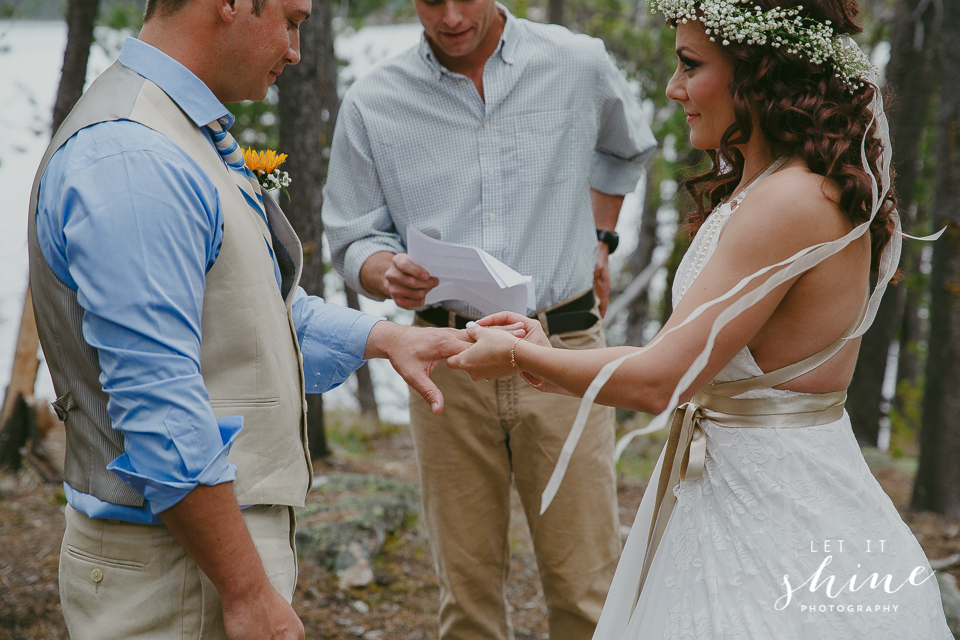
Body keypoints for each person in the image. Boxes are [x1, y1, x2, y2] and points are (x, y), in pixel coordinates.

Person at [447, 0, 956, 637]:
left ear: (759, 70)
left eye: (691, 65)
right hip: (729, 485)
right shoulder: (773, 184)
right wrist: (553, 355)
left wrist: (521, 359)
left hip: (776, 513)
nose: (673, 87)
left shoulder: (792, 199)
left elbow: (662, 380)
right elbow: (680, 356)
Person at [26, 0, 469, 637]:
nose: (294, 51)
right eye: (291, 21)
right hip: (174, 571)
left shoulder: (178, 130)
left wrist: (387, 336)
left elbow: (253, 312)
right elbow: (159, 406)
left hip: (193, 558)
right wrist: (246, 589)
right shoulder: (134, 159)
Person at [322, 1, 655, 637]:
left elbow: (623, 150)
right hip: (445, 360)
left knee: (586, 589)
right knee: (467, 599)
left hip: (565, 349)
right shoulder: (374, 100)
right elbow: (351, 238)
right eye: (429, 1)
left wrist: (601, 239)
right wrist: (384, 270)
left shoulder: (576, 63)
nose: (449, 17)